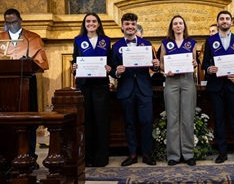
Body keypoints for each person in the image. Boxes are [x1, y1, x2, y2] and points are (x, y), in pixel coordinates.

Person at [0, 8, 49, 170]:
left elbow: (41, 62)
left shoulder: (32, 38)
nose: (11, 25)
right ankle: (5, 155)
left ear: (21, 20)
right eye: (8, 22)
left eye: (14, 22)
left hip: (27, 84)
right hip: (4, 86)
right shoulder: (0, 38)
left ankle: (29, 155)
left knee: (29, 119)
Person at [202, 10, 234, 164]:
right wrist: (209, 69)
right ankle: (222, 152)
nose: (224, 21)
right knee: (219, 119)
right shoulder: (210, 41)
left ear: (231, 22)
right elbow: (205, 63)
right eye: (221, 19)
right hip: (216, 87)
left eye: (227, 19)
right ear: (218, 22)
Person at [110, 13, 159, 166]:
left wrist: (156, 65)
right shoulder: (116, 46)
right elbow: (112, 69)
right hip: (126, 89)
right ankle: (132, 154)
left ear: (136, 25)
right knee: (129, 123)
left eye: (133, 23)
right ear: (122, 27)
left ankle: (146, 154)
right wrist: (117, 71)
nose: (130, 26)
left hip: (144, 88)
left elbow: (153, 66)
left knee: (147, 121)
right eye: (127, 24)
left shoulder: (147, 44)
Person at [71, 13, 112, 167]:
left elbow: (111, 62)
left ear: (99, 24)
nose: (91, 23)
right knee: (85, 121)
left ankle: (101, 159)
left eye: (94, 21)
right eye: (88, 21)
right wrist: (74, 67)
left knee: (101, 122)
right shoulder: (78, 40)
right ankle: (87, 158)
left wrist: (110, 68)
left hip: (101, 85)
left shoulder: (106, 41)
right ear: (84, 24)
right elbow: (74, 61)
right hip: (84, 85)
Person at [159, 15, 198, 166]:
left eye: (180, 23)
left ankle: (188, 154)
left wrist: (194, 63)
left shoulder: (191, 43)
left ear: (184, 26)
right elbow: (162, 64)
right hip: (171, 81)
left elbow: (193, 62)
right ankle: (173, 155)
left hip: (187, 80)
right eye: (175, 23)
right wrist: (166, 70)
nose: (178, 26)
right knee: (173, 118)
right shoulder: (165, 43)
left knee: (187, 117)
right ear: (172, 27)